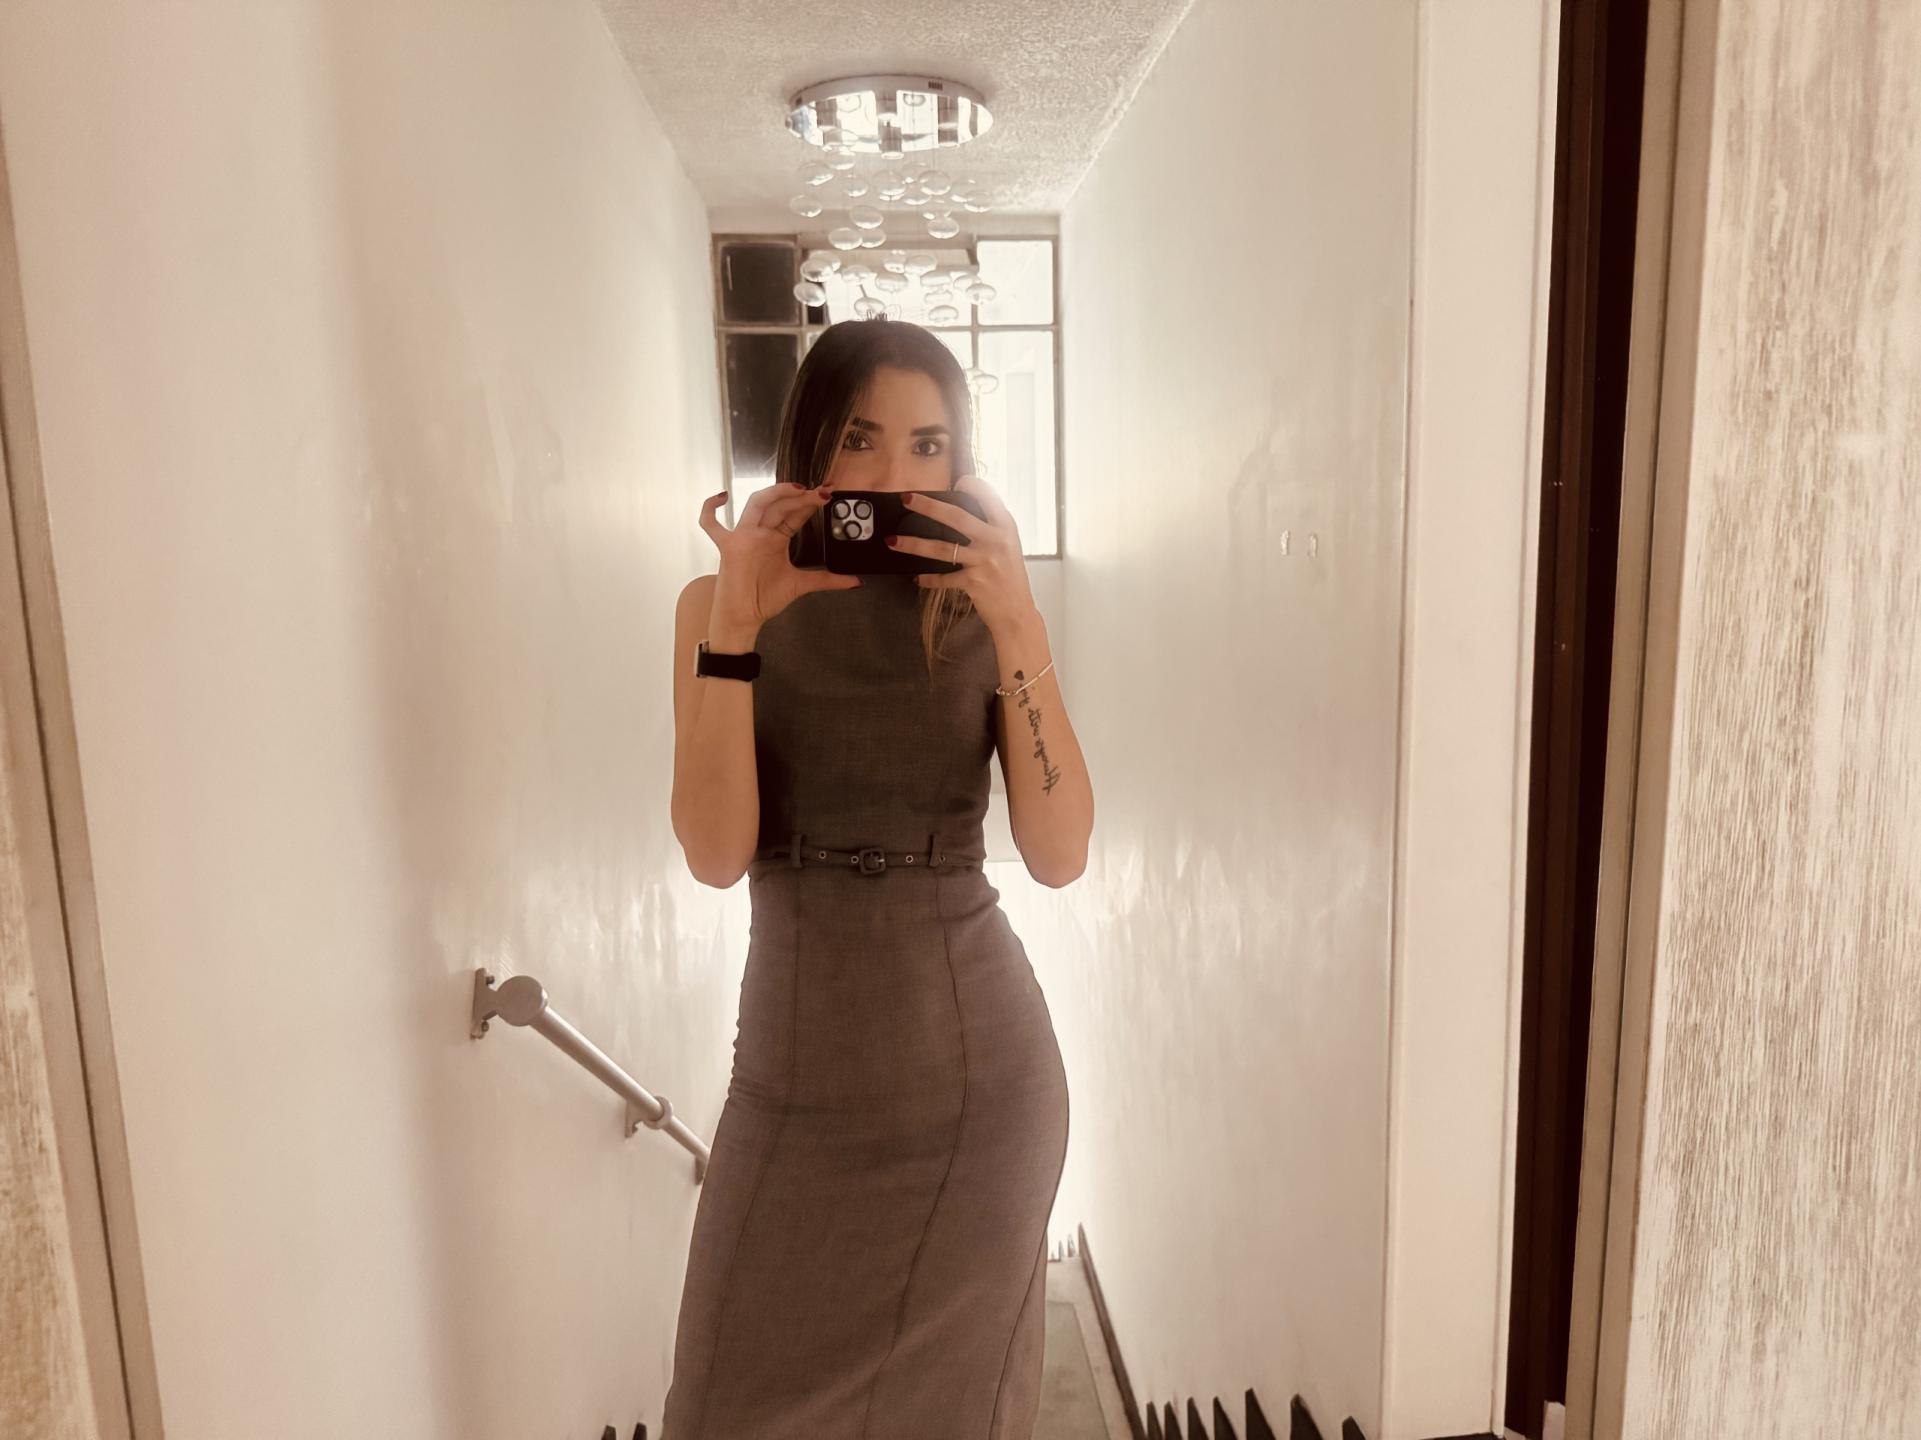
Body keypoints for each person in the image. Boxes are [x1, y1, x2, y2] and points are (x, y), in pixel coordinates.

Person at [663, 317, 1094, 1437]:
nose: (893, 473)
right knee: (720, 1406)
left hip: (977, 1086)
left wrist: (1019, 625)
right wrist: (739, 623)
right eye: (861, 438)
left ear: (962, 463)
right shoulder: (714, 606)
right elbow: (714, 853)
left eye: (928, 445)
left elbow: (1059, 854)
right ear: (810, 445)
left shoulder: (982, 611)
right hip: (791, 1080)